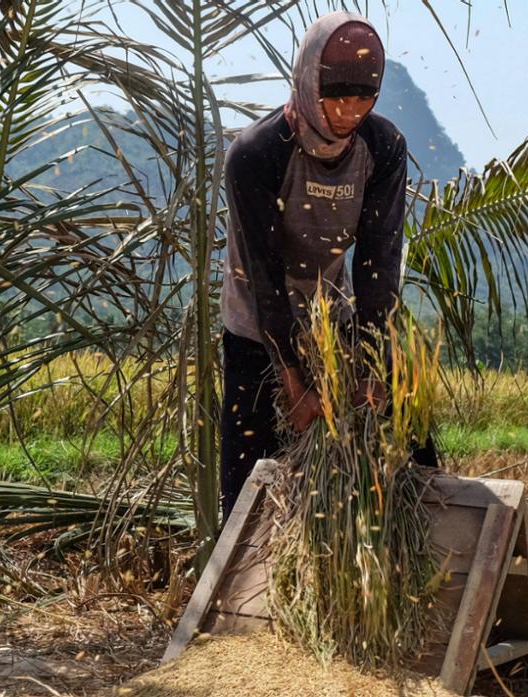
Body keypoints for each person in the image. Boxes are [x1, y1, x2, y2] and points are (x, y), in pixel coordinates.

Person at [218, 11, 417, 519]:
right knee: (248, 483)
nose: (350, 111)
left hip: (335, 317)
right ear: (308, 83)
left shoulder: (383, 147)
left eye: (363, 98)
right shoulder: (256, 153)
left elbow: (378, 262)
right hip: (257, 325)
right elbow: (262, 274)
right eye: (337, 98)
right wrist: (292, 377)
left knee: (401, 451)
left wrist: (373, 364)